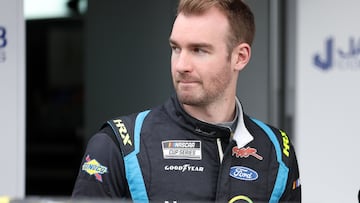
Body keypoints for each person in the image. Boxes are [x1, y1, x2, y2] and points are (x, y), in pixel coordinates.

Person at [72, 0, 301, 202]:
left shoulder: (277, 151)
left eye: (199, 50)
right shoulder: (119, 144)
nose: (181, 65)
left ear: (240, 57)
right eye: (176, 48)